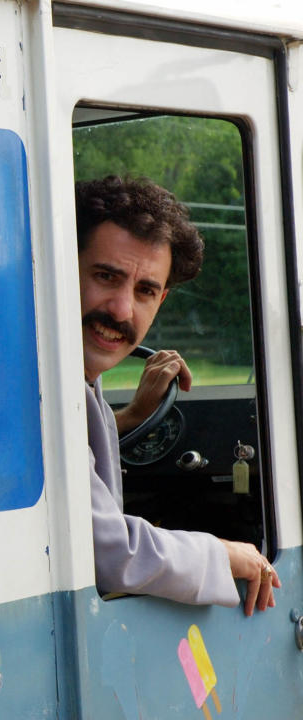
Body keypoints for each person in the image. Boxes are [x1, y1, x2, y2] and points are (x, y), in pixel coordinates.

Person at [77, 175, 279, 615]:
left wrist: (128, 417)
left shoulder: (78, 383)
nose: (122, 310)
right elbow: (109, 552)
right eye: (105, 276)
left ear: (162, 300)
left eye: (145, 290)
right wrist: (226, 554)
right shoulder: (29, 389)